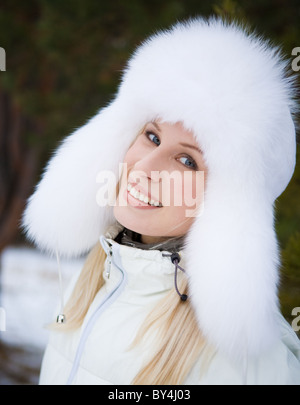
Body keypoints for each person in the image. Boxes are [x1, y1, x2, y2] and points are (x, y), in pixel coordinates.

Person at [22, 17, 300, 385]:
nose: (146, 168)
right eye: (152, 136)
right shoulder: (95, 280)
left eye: (187, 160)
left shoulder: (251, 366)